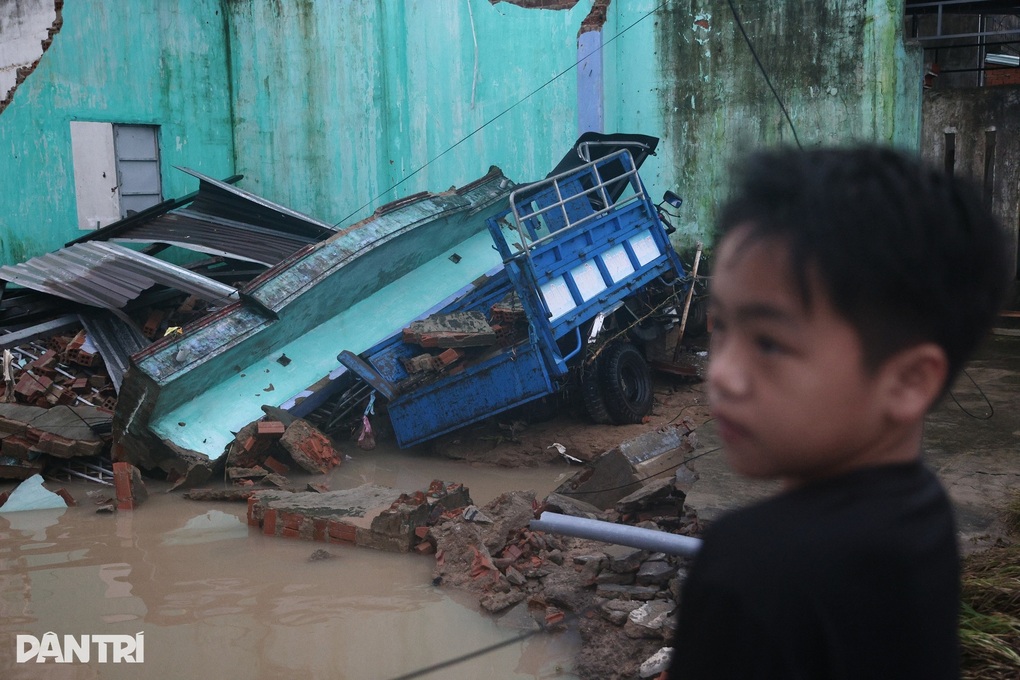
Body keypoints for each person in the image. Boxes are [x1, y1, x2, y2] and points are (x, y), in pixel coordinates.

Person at [666, 146, 1011, 679]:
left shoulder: (749, 569)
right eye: (721, 327)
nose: (722, 374)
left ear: (909, 381)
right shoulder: (922, 512)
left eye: (769, 342)